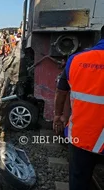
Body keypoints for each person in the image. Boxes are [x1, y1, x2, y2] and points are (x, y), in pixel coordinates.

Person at [54, 25, 104, 190]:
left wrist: (58, 115)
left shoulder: (76, 60)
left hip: (81, 137)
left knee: (78, 180)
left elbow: (61, 93)